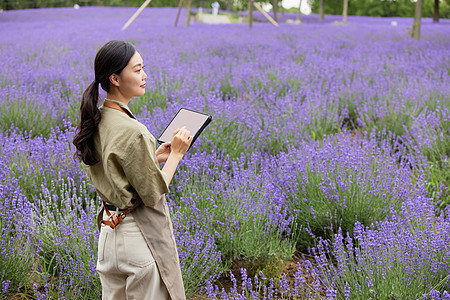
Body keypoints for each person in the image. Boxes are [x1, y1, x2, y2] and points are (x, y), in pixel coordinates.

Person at [72, 40, 191, 300]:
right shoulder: (133, 130)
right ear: (115, 78)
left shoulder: (95, 120)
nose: (144, 75)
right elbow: (153, 195)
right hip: (138, 239)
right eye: (137, 70)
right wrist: (177, 155)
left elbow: (113, 165)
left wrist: (154, 156)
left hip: (108, 236)